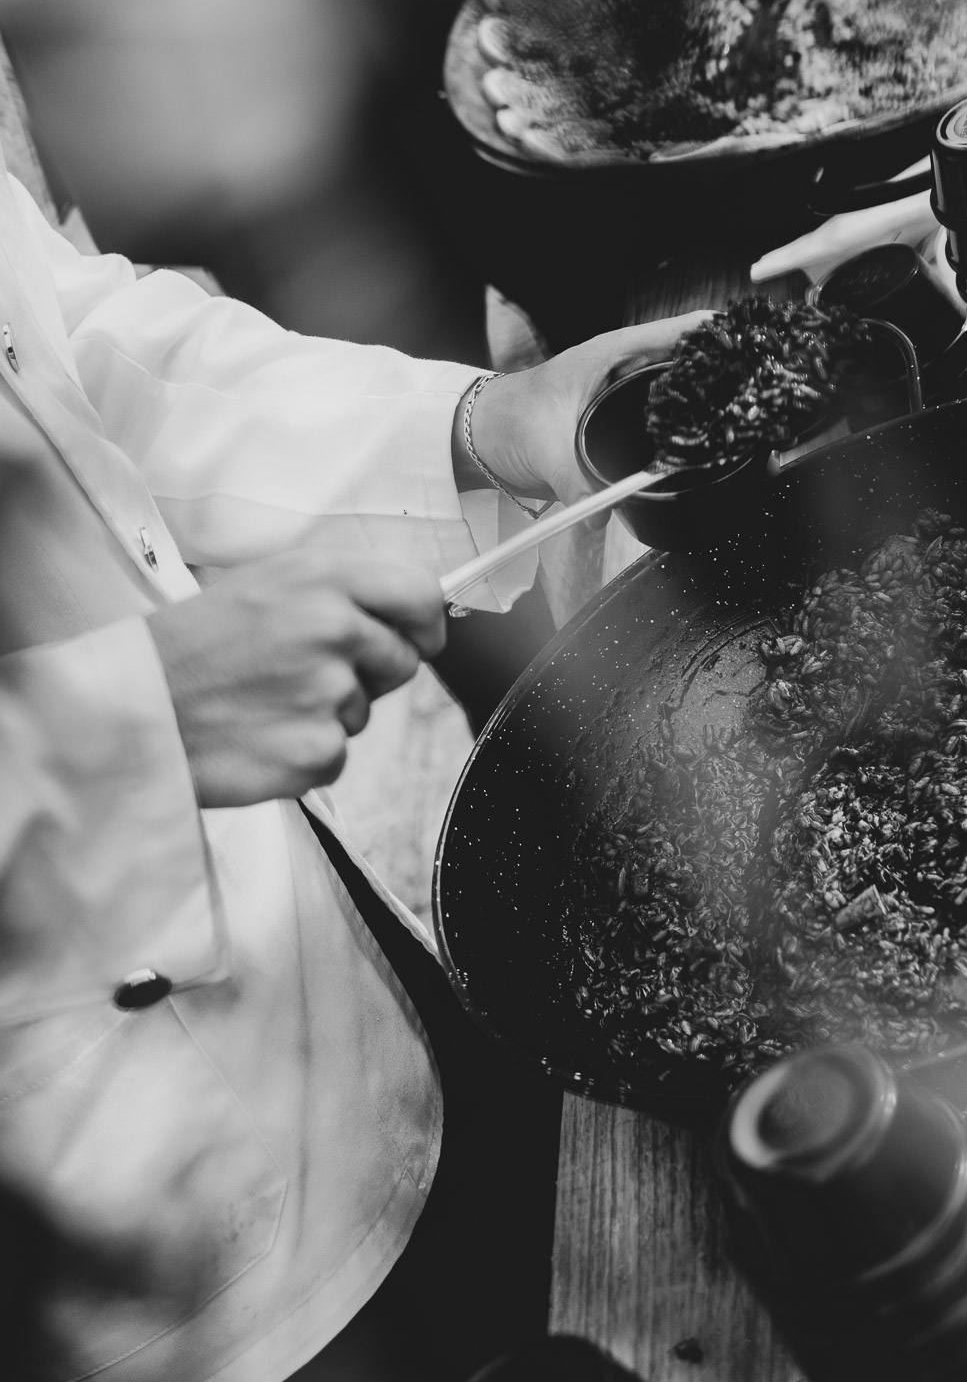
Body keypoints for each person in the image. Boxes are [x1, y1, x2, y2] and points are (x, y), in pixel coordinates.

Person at [0, 149, 700, 1382]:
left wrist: (484, 428)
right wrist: (118, 731)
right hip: (103, 1257)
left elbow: (57, 338)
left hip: (313, 978)